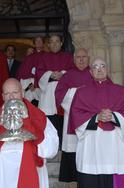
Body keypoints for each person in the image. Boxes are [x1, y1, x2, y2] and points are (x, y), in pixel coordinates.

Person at [0, 78, 59, 188]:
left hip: (30, 169)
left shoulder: (38, 116)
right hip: (1, 171)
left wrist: (30, 128)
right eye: (7, 93)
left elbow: (51, 147)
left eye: (15, 92)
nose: (11, 97)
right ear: (3, 96)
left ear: (22, 93)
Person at [68, 57, 124, 188]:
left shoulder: (121, 91)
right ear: (90, 72)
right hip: (91, 147)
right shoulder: (81, 92)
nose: (99, 69)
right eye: (95, 67)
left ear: (107, 69)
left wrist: (114, 116)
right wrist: (96, 117)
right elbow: (75, 116)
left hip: (114, 147)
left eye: (102, 66)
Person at [54, 48, 93, 182]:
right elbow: (60, 95)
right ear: (74, 59)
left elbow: (105, 91)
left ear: (88, 59)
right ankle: (73, 177)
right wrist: (79, 92)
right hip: (72, 118)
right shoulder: (67, 75)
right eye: (78, 57)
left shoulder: (95, 73)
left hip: (92, 120)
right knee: (73, 146)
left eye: (84, 57)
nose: (81, 60)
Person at [36, 34, 74, 147]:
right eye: (52, 42)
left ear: (61, 43)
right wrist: (50, 74)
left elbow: (72, 71)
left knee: (62, 121)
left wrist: (62, 74)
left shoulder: (68, 57)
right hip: (48, 94)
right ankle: (50, 147)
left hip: (63, 92)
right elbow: (38, 72)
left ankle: (62, 147)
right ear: (48, 44)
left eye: (57, 41)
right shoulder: (43, 57)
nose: (54, 44)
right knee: (49, 122)